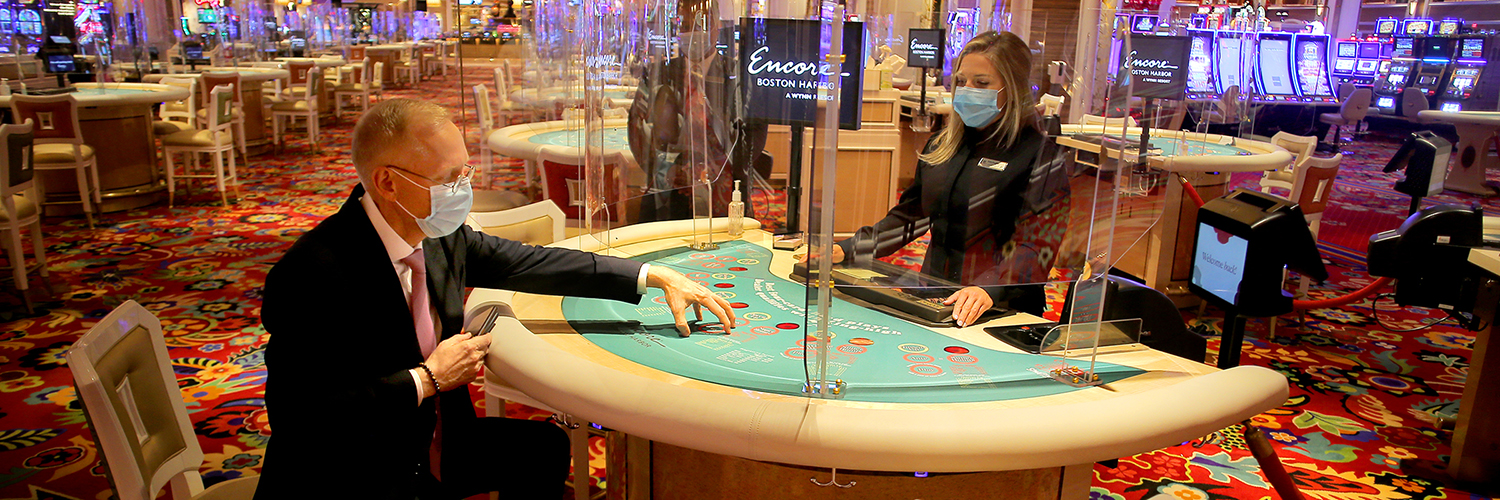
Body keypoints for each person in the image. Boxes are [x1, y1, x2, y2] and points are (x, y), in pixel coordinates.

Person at [253, 99, 735, 500]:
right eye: (448, 179)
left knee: (544, 448)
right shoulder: (312, 273)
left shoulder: (440, 237)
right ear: (387, 182)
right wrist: (426, 379)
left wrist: (653, 276)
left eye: (466, 173)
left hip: (438, 443)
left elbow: (536, 263)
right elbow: (301, 420)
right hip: (354, 471)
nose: (464, 190)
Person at [817, 31, 1047, 327]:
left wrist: (990, 287)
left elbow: (1038, 244)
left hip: (1001, 306)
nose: (967, 90)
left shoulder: (1038, 153)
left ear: (1012, 88)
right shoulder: (942, 145)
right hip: (935, 294)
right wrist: (849, 248)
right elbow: (909, 217)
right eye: (961, 81)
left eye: (982, 83)